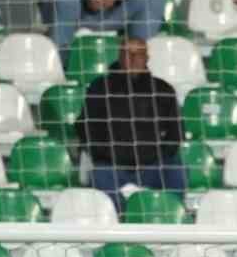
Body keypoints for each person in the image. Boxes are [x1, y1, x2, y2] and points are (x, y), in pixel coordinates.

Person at [77, 37, 186, 211]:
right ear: (120, 56)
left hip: (152, 166)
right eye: (128, 53)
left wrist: (154, 154)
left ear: (146, 58)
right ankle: (119, 220)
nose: (133, 58)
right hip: (112, 166)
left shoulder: (162, 89)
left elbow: (176, 132)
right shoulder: (99, 88)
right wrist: (108, 154)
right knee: (99, 175)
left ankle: (173, 216)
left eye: (139, 54)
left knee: (174, 169)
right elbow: (85, 128)